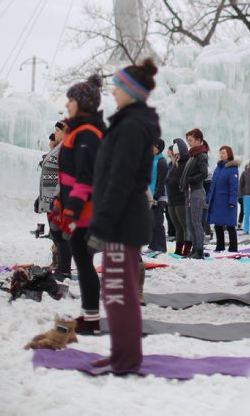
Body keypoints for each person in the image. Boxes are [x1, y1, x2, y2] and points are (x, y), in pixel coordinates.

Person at [87, 58, 160, 374]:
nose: (113, 93)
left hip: (122, 223)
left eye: (118, 87)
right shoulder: (129, 121)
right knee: (117, 291)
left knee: (118, 292)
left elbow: (121, 179)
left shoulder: (131, 125)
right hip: (122, 221)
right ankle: (122, 353)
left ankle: (126, 359)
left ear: (132, 91)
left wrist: (101, 224)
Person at [55, 74, 105, 334]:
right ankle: (90, 316)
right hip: (78, 209)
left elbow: (87, 179)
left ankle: (92, 319)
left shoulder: (88, 134)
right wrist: (60, 202)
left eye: (70, 100)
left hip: (86, 213)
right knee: (84, 264)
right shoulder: (81, 131)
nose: (67, 105)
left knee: (84, 264)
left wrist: (72, 211)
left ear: (82, 103)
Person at [36, 122, 73, 280]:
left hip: (58, 200)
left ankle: (64, 271)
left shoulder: (66, 149)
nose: (55, 133)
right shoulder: (59, 148)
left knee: (61, 236)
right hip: (50, 199)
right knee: (56, 236)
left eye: (58, 130)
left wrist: (59, 199)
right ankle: (60, 267)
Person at [180, 128, 209, 259]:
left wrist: (189, 180)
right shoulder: (193, 155)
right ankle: (194, 248)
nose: (189, 143)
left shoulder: (201, 155)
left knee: (196, 222)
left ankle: (199, 250)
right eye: (188, 141)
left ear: (198, 140)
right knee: (190, 222)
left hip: (196, 192)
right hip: (190, 192)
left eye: (190, 140)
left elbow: (203, 173)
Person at [207, 146, 239, 252]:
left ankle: (233, 247)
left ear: (229, 154)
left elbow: (234, 187)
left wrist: (232, 201)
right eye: (220, 153)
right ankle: (220, 246)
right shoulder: (218, 167)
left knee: (230, 225)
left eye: (224, 153)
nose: (221, 155)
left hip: (226, 201)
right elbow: (213, 185)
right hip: (217, 201)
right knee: (218, 224)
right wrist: (209, 198)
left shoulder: (233, 168)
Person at [165, 138, 189, 256]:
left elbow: (183, 180)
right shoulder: (173, 164)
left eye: (178, 153)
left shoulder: (185, 163)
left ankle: (187, 249)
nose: (176, 155)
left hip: (181, 199)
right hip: (172, 199)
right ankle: (178, 250)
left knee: (184, 226)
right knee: (177, 227)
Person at [147, 139, 168, 253]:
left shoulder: (161, 161)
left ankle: (161, 247)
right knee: (151, 222)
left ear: (158, 147)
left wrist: (156, 196)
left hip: (158, 197)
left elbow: (162, 181)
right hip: (150, 197)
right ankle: (153, 245)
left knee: (158, 222)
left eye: (153, 146)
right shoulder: (153, 160)